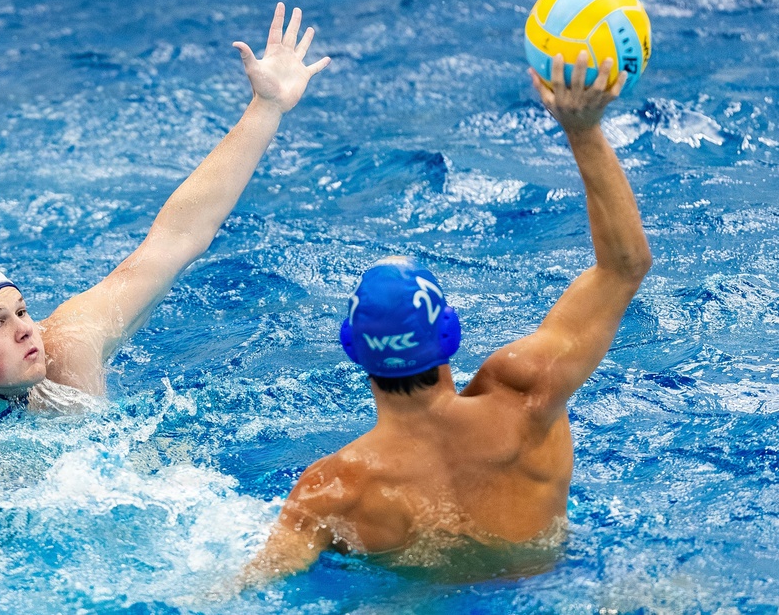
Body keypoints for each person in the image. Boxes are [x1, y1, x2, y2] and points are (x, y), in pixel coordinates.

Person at [241, 52, 652, 584]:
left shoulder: (334, 490)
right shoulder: (526, 396)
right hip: (560, 583)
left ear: (353, 349)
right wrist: (583, 129)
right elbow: (624, 267)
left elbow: (248, 589)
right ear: (450, 334)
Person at [0, 3, 330, 437]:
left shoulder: (70, 344)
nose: (26, 329)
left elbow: (176, 238)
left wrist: (266, 108)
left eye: (22, 311)